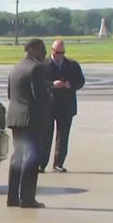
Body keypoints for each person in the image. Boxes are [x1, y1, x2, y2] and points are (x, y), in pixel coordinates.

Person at [6, 38, 49, 209]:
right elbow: (40, 96)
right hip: (31, 119)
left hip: (15, 118)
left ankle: (12, 197)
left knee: (18, 157)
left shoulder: (16, 67)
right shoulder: (36, 68)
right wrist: (50, 95)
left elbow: (10, 93)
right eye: (42, 49)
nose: (45, 53)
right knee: (31, 158)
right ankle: (27, 198)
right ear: (32, 50)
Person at [39, 39, 85, 173]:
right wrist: (52, 84)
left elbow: (81, 81)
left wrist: (71, 85)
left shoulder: (72, 65)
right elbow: (38, 83)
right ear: (52, 51)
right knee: (45, 136)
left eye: (62, 53)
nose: (60, 56)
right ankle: (41, 164)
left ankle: (58, 163)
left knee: (63, 136)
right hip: (48, 106)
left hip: (66, 106)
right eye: (58, 53)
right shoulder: (42, 65)